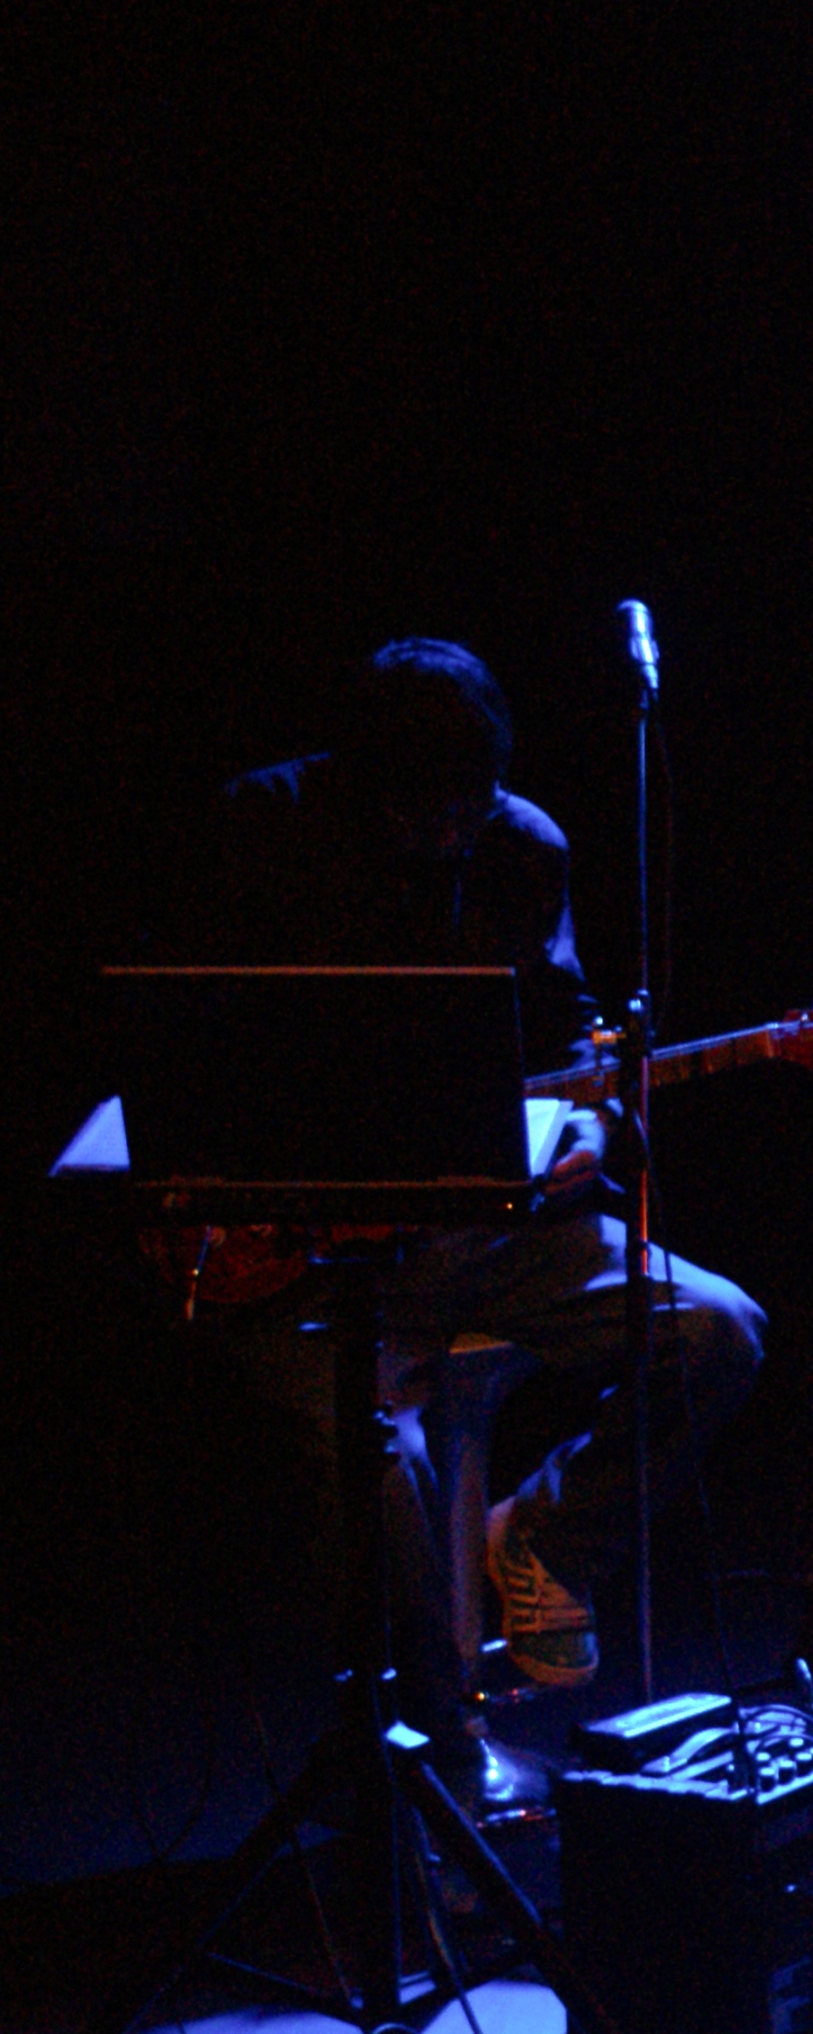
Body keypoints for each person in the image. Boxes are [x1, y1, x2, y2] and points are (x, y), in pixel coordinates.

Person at [172, 640, 765, 1789]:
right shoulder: (263, 825)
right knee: (375, 1460)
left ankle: (542, 1533)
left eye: (470, 801)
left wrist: (590, 1132)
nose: (452, 829)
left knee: (715, 1327)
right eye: (423, 807)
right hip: (315, 1253)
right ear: (364, 782)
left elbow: (569, 1037)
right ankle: (440, 1756)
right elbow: (185, 1045)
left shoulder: (523, 844)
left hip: (493, 1229)